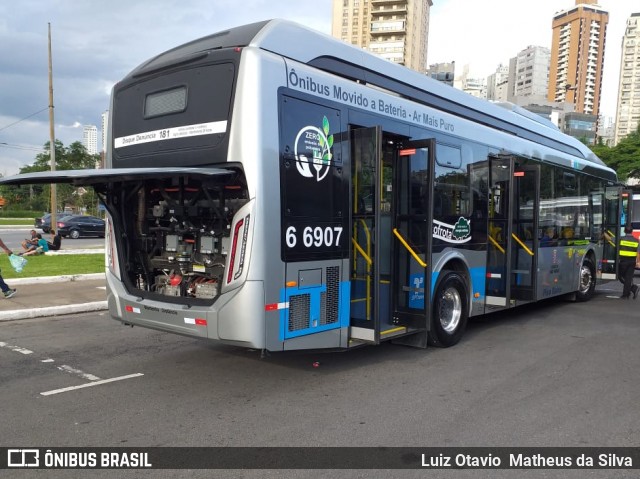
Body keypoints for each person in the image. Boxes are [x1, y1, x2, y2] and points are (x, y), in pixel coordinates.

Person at [617, 224, 639, 299]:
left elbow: (611, 239)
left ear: (624, 231)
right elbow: (638, 253)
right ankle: (627, 294)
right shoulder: (637, 240)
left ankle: (632, 288)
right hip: (632, 262)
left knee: (620, 276)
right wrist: (638, 262)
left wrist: (605, 234)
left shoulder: (621, 239)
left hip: (623, 261)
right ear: (632, 231)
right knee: (628, 278)